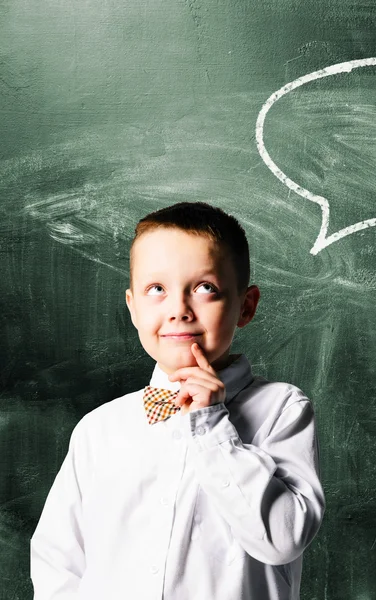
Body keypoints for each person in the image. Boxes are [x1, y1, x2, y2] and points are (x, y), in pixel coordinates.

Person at [30, 201, 325, 599]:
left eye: (205, 288)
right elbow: (58, 562)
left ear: (246, 305)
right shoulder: (99, 429)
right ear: (133, 308)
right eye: (157, 289)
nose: (179, 310)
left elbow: (282, 540)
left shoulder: (282, 409)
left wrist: (212, 425)